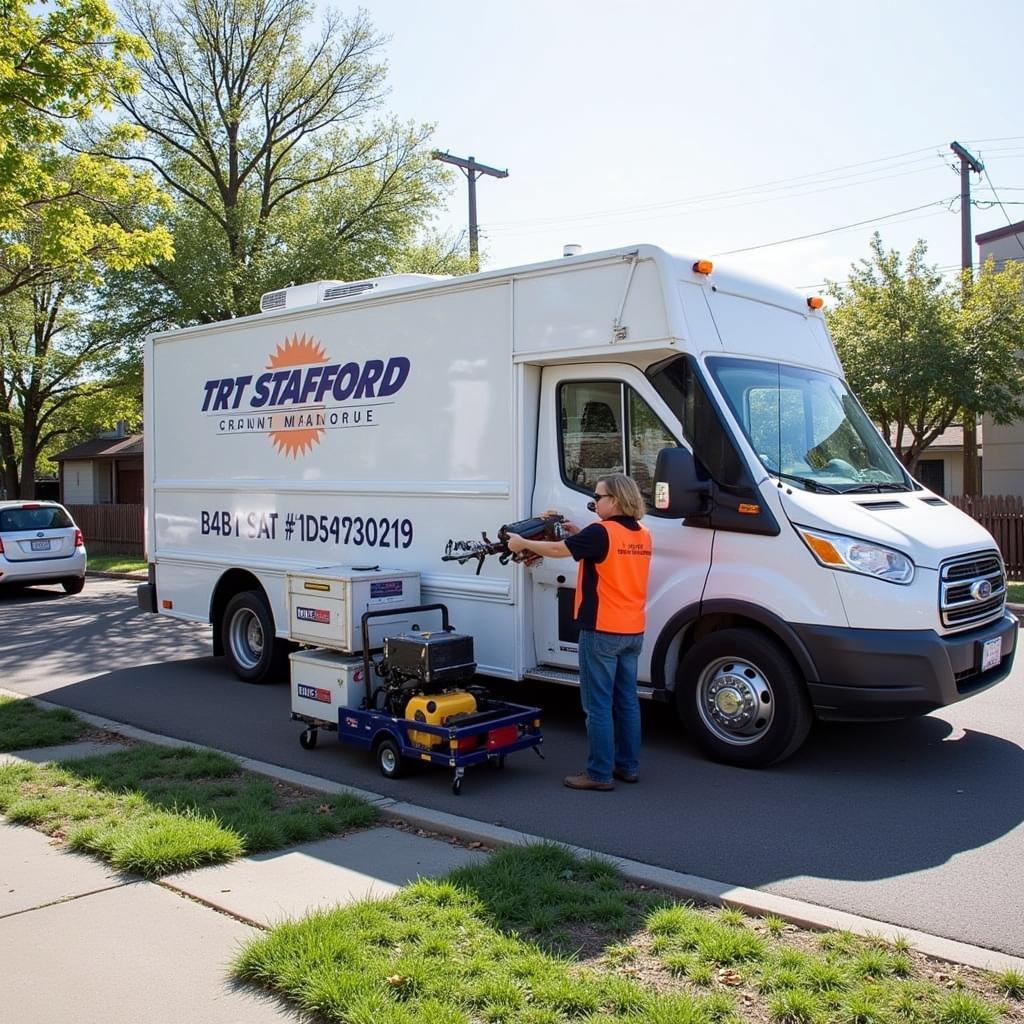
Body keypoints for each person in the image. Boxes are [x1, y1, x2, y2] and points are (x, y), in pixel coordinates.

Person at [506, 474, 652, 791]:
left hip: (601, 630)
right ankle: (627, 766)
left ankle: (599, 774)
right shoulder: (642, 534)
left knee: (597, 705)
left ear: (614, 500)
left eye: (597, 498)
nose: (594, 503)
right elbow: (609, 552)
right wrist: (579, 533)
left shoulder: (602, 533)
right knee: (626, 702)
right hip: (632, 630)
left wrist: (524, 543)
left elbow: (559, 550)